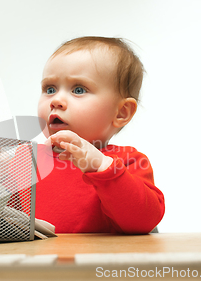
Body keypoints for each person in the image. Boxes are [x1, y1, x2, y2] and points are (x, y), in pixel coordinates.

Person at [35, 36, 165, 234]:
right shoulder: (26, 163)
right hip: (34, 264)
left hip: (102, 265)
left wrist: (102, 166)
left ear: (121, 113)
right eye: (49, 89)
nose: (56, 100)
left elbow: (144, 221)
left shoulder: (129, 162)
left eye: (78, 89)